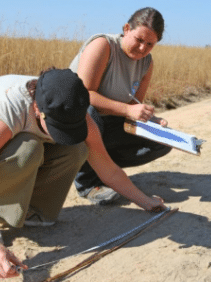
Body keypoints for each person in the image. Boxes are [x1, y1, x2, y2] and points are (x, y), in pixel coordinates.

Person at [0, 68, 165, 279]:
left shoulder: (74, 109)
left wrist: (145, 201)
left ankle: (33, 212)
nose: (65, 131)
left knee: (77, 147)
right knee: (27, 149)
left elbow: (107, 168)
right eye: (58, 126)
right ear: (37, 107)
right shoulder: (9, 108)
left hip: (11, 138)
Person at [69, 7, 172, 205]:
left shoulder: (146, 63)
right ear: (126, 29)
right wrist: (128, 110)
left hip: (109, 123)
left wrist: (151, 119)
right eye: (139, 40)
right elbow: (84, 95)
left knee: (163, 141)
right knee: (89, 113)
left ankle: (106, 171)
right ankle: (88, 184)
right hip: (78, 122)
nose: (142, 48)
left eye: (150, 44)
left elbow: (134, 104)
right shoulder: (103, 45)